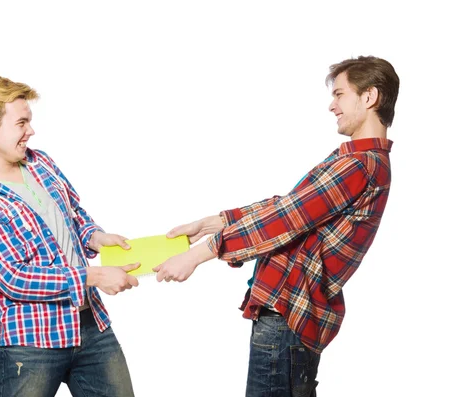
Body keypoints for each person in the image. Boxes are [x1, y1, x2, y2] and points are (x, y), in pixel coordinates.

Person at [153, 55, 399, 396]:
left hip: (287, 320)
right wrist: (214, 222)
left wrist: (197, 256)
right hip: (285, 318)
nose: (332, 105)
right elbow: (287, 207)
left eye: (340, 94)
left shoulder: (360, 165)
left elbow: (285, 220)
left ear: (369, 97)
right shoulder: (354, 161)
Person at [0, 76, 139, 397]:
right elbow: (13, 278)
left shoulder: (40, 163)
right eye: (21, 123)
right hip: (30, 341)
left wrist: (96, 237)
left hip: (90, 327)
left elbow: (74, 215)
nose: (31, 131)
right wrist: (93, 276)